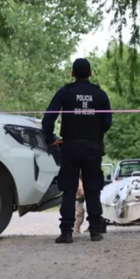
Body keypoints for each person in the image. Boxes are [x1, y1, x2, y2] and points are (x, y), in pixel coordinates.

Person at [43, 58, 113, 243]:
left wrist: (52, 139)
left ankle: (66, 232)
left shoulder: (65, 92)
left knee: (69, 188)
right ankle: (95, 231)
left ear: (73, 74)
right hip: (92, 147)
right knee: (93, 188)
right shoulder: (99, 94)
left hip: (70, 146)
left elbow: (48, 119)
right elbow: (107, 121)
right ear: (90, 73)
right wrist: (96, 134)